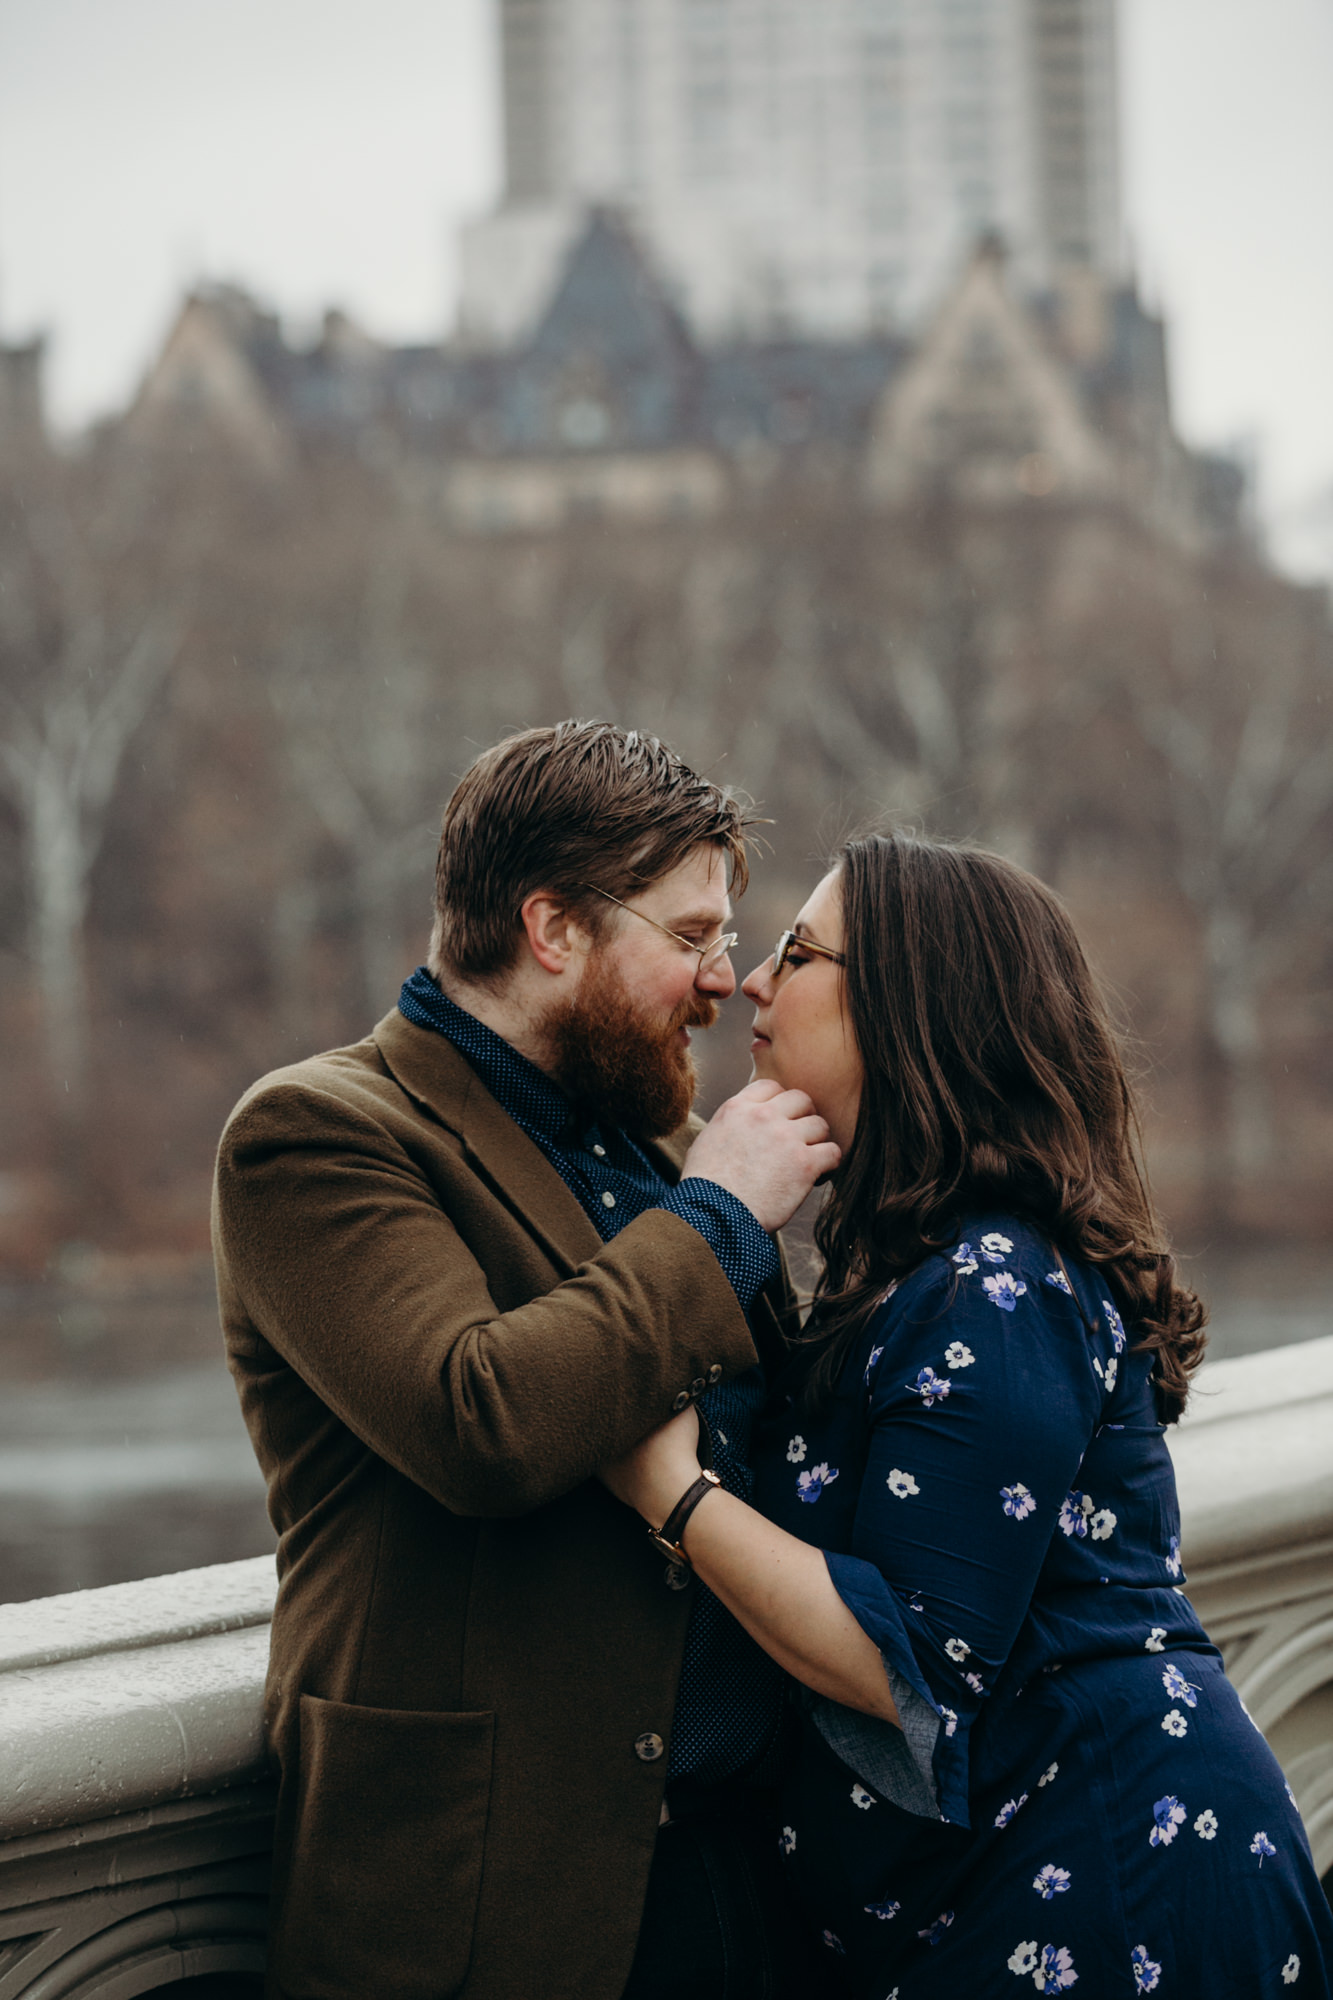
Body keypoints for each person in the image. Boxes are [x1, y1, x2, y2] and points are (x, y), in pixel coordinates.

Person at [603, 831, 1333, 1998]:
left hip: (1111, 1876)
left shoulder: (994, 1279)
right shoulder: (920, 1264)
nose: (752, 979)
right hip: (1016, 1877)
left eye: (797, 951)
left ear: (909, 1001)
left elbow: (909, 1664)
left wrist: (670, 1492)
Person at [212, 721, 844, 2000]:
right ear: (553, 929)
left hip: (751, 1882)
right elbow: (478, 1416)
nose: (721, 981)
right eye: (687, 938)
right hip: (489, 1908)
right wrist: (721, 1219)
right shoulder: (318, 1133)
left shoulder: (660, 1151)